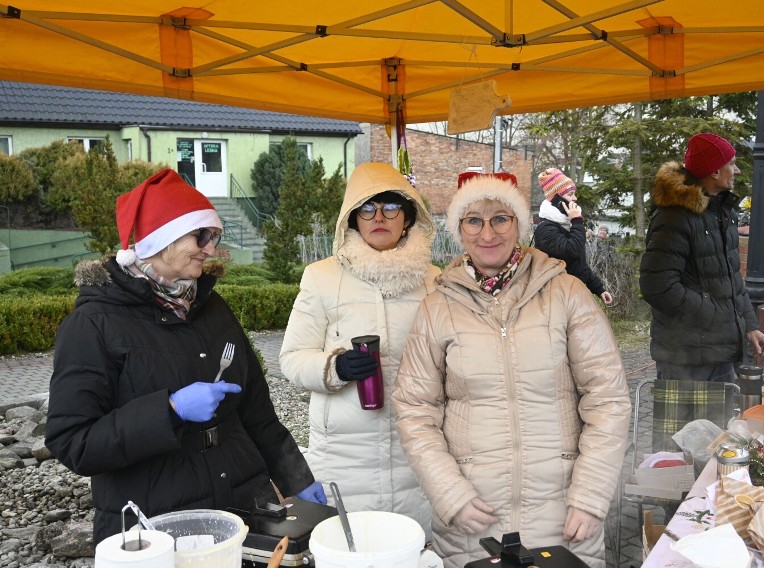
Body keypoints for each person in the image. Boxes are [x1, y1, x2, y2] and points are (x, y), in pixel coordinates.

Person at [44, 168, 325, 545]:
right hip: (155, 520)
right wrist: (169, 410)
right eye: (201, 236)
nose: (211, 249)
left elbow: (257, 413)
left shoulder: (212, 307)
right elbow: (72, 441)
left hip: (241, 502)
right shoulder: (92, 324)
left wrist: (297, 479)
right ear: (162, 240)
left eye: (214, 237)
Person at [393, 172, 630, 568]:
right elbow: (415, 411)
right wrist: (451, 494)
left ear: (520, 224)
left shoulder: (567, 292)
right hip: (473, 519)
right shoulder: (438, 307)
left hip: (564, 517)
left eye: (500, 218)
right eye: (474, 220)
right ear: (459, 229)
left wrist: (590, 496)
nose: (488, 233)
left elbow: (607, 399)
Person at [279, 162, 439, 538]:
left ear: (409, 216)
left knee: (410, 549)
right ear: (352, 219)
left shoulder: (435, 281)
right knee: (349, 549)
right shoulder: (322, 277)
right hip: (343, 458)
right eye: (367, 208)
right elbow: (291, 357)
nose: (378, 217)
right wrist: (334, 368)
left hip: (415, 454)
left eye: (390, 207)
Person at [639, 133, 764, 382]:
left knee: (721, 422)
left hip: (718, 354)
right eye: (731, 163)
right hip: (683, 360)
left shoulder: (722, 212)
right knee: (684, 424)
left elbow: (730, 278)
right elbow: (658, 288)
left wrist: (749, 325)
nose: (737, 170)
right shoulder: (674, 217)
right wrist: (717, 316)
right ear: (714, 172)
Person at [532, 168, 614, 305]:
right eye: (570, 194)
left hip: (571, 295)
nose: (575, 199)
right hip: (555, 299)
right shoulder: (546, 229)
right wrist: (576, 221)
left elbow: (578, 265)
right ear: (557, 199)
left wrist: (599, 289)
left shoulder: (565, 224)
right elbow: (572, 251)